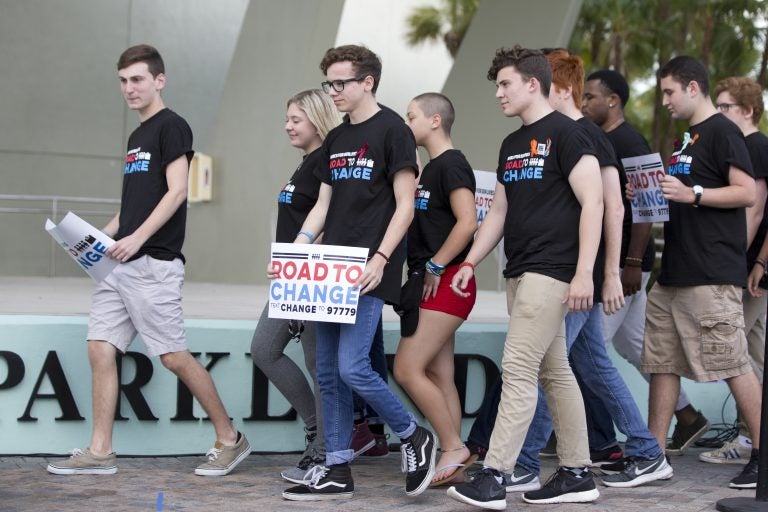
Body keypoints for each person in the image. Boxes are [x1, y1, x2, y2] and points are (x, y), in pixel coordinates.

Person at [46, 44, 249, 476]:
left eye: (137, 79)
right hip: (118, 264)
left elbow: (177, 190)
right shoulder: (137, 136)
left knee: (173, 355)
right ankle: (100, 451)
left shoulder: (171, 126)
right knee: (100, 348)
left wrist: (137, 238)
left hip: (153, 262)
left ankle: (230, 437)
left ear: (159, 80)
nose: (128, 88)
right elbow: (134, 204)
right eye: (122, 80)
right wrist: (99, 236)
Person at [446, 45, 603, 510]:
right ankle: (577, 473)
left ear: (533, 84)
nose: (498, 94)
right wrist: (469, 262)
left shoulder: (571, 135)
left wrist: (584, 274)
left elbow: (594, 203)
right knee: (555, 372)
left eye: (505, 84)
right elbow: (498, 212)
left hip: (553, 272)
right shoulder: (512, 144)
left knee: (517, 370)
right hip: (519, 271)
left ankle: (494, 475)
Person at [279, 44, 436, 501]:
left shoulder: (393, 131)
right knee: (327, 371)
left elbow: (405, 204)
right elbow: (324, 205)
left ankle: (412, 433)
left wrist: (382, 258)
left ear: (368, 81)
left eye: (341, 83)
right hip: (329, 269)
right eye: (330, 83)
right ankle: (337, 469)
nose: (334, 92)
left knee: (352, 367)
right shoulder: (338, 138)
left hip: (369, 268)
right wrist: (299, 251)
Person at [511, 50, 671, 492]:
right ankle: (646, 451)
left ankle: (523, 461)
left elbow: (614, 208)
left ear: (559, 89)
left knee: (551, 362)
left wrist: (610, 274)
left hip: (579, 278)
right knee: (588, 364)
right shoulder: (566, 134)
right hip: (575, 274)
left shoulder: (587, 136)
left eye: (539, 82)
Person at [644, 55, 761, 489]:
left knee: (732, 362)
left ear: (694, 87)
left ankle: (762, 457)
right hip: (674, 273)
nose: (666, 101)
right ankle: (652, 456)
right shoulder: (688, 137)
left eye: (670, 92)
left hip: (711, 273)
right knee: (663, 363)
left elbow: (747, 192)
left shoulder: (723, 132)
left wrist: (692, 193)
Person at [582, 69, 710, 457]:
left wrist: (632, 263)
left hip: (624, 267)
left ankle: (601, 438)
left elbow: (647, 204)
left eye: (590, 97)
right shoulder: (602, 138)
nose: (584, 103)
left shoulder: (629, 140)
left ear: (613, 101)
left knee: (587, 349)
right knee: (636, 347)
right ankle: (688, 417)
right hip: (620, 267)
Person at [250, 89, 341, 484]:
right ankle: (315, 433)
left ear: (317, 121)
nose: (288, 125)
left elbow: (337, 220)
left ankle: (322, 450)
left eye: (295, 119)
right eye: (287, 118)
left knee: (318, 365)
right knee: (265, 349)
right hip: (293, 278)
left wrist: (302, 259)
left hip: (312, 277)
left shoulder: (327, 162)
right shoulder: (306, 164)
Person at [393, 92, 478, 486]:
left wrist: (435, 264)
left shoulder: (453, 165)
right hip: (432, 282)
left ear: (435, 121)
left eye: (411, 116)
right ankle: (451, 457)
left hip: (447, 281)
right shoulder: (429, 169)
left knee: (407, 368)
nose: (406, 123)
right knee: (440, 374)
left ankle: (451, 445)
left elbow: (467, 222)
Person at [697, 76, 768, 465]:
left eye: (726, 107)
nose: (719, 113)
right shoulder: (748, 146)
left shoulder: (754, 147)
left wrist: (735, 260)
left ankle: (748, 439)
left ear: (748, 110)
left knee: (733, 356)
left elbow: (753, 210)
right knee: (752, 355)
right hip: (750, 267)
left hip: (744, 271)